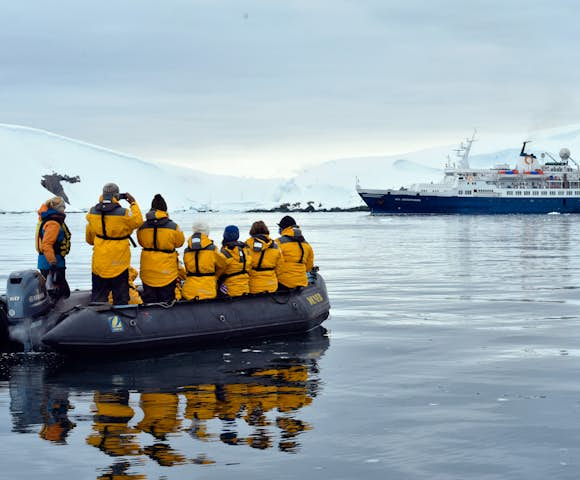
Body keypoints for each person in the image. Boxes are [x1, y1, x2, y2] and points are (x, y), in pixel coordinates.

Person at [86, 183, 143, 304]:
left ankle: (98, 318)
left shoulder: (92, 213)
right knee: (121, 297)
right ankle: (122, 319)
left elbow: (89, 239)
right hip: (119, 263)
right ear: (117, 196)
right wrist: (133, 203)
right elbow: (138, 221)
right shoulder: (123, 213)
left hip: (99, 263)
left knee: (98, 297)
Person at [137, 194, 185, 303]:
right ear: (165, 209)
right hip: (167, 273)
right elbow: (180, 243)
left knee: (150, 301)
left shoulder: (142, 227)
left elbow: (140, 242)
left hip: (147, 271)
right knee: (167, 301)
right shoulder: (174, 227)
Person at [36, 196, 71, 300]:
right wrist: (53, 263)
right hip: (52, 264)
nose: (64, 210)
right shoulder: (53, 223)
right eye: (63, 208)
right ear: (57, 208)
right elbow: (46, 244)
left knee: (57, 292)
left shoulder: (47, 219)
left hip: (47, 262)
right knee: (61, 293)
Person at [182, 222, 226, 300]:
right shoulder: (213, 249)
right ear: (207, 233)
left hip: (189, 291)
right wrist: (215, 276)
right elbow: (223, 264)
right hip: (208, 291)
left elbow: (187, 268)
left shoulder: (186, 251)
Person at [275, 215, 314, 289]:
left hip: (283, 282)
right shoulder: (306, 244)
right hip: (302, 282)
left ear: (283, 228)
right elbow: (309, 267)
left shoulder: (278, 243)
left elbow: (271, 262)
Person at [245, 221, 283, 293]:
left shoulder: (247, 245)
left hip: (253, 286)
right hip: (272, 285)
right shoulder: (275, 246)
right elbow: (280, 267)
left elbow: (245, 266)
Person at [219, 225, 251, 297]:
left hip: (230, 290)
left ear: (225, 235)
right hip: (245, 288)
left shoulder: (225, 252)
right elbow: (249, 266)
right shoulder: (246, 250)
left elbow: (219, 272)